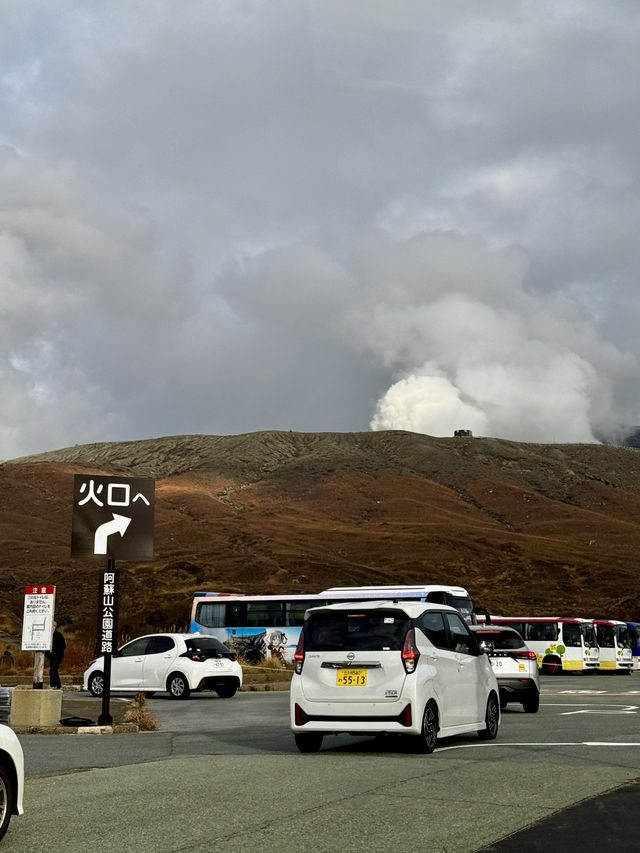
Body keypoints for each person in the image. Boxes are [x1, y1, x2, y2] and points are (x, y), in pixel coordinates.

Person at [49, 622, 66, 689]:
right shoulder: (48, 636)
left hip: (58, 656)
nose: (51, 627)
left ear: (55, 626)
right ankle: (53, 685)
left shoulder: (59, 635)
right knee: (52, 670)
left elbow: (63, 646)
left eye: (53, 626)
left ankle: (57, 685)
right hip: (52, 656)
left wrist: (56, 652)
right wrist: (48, 654)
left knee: (53, 669)